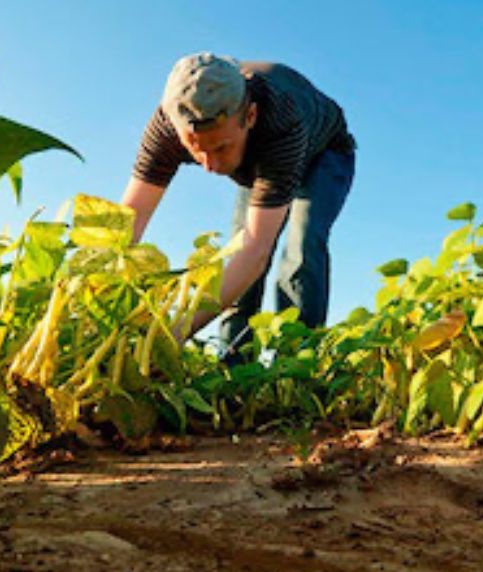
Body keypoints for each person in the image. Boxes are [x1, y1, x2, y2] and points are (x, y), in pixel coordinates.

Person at [120, 53, 356, 359]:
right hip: (257, 164)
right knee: (236, 252)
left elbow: (255, 251)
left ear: (250, 115)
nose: (210, 165)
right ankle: (233, 366)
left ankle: (296, 366)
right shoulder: (167, 126)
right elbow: (129, 221)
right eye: (196, 150)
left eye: (221, 147)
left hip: (323, 153)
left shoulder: (281, 122)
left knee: (302, 243)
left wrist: (172, 335)